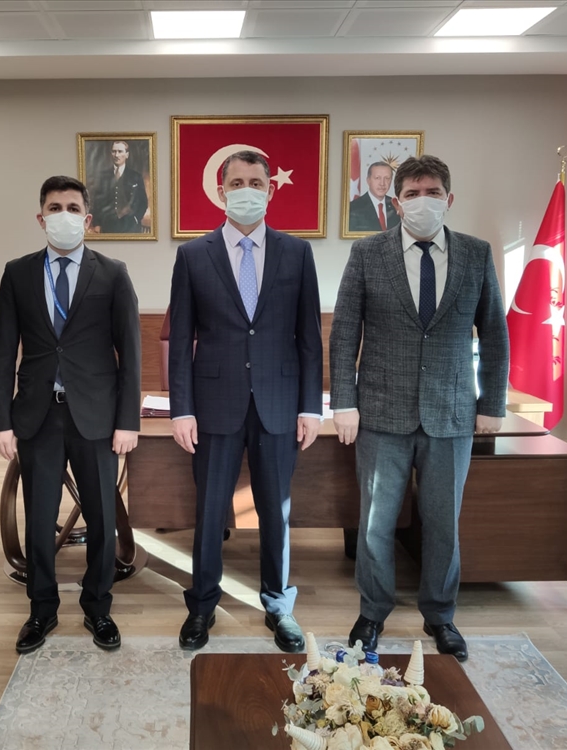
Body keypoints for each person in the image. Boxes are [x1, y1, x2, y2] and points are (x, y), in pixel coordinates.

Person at [329, 155, 509, 662]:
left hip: (451, 412)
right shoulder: (368, 253)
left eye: (431, 192)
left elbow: (495, 332)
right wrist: (344, 401)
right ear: (396, 201)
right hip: (381, 412)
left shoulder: (476, 253)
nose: (422, 201)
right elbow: (345, 332)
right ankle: (372, 612)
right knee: (375, 524)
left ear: (448, 199)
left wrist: (492, 403)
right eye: (412, 194)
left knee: (442, 523)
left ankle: (441, 615)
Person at [168, 151, 323, 653]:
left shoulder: (297, 253)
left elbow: (309, 338)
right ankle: (202, 606)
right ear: (221, 190)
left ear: (270, 190)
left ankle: (279, 605)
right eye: (237, 182)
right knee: (210, 510)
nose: (247, 190)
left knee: (275, 511)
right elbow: (181, 338)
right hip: (214, 403)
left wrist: (311, 406)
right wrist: (182, 408)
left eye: (256, 181)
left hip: (279, 402)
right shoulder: (193, 255)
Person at [0, 175, 141, 654]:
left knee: (101, 516)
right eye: (55, 208)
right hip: (37, 415)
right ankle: (42, 608)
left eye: (73, 208)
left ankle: (98, 607)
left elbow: (130, 351)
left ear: (88, 219)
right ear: (41, 218)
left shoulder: (112, 273)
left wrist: (128, 421)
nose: (64, 216)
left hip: (95, 416)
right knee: (38, 518)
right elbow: (2, 350)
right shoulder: (17, 273)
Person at [92, 140, 148, 234]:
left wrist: (136, 218)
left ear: (127, 155)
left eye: (120, 151)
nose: (116, 155)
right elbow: (97, 203)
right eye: (114, 151)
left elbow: (143, 202)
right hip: (108, 226)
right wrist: (97, 224)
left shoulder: (135, 176)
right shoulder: (103, 176)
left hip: (131, 226)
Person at [348, 162, 400, 233]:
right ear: (368, 180)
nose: (382, 183)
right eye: (377, 178)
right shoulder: (353, 208)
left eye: (387, 178)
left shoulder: (397, 205)